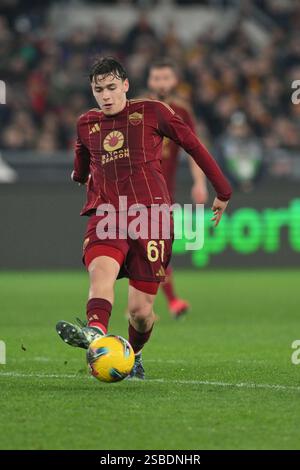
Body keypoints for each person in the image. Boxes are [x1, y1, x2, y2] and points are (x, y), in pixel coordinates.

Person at [56, 57, 232, 379]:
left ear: (125, 85)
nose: (106, 96)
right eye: (99, 90)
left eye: (111, 88)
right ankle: (95, 331)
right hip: (107, 213)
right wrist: (78, 175)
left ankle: (133, 353)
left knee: (140, 313)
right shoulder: (86, 124)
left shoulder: (153, 112)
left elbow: (193, 145)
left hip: (152, 217)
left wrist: (223, 190)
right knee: (101, 272)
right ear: (92, 91)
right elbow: (81, 165)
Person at [147, 58, 208, 318]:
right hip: (133, 191)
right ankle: (170, 301)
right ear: (150, 81)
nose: (162, 83)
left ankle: (142, 304)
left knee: (155, 248)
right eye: (157, 78)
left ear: (174, 81)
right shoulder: (136, 108)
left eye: (166, 78)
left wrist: (199, 181)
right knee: (150, 247)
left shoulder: (181, 112)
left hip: (163, 193)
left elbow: (193, 150)